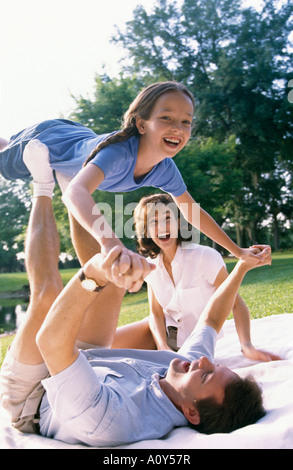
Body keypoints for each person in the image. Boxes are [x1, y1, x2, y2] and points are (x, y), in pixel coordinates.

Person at [0, 192, 272, 446]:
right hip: (80, 362)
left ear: (191, 412)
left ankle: (42, 190)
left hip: (33, 397)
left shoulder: (113, 420)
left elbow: (50, 342)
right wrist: (242, 267)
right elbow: (211, 319)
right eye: (213, 365)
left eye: (206, 375)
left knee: (48, 298)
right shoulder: (186, 371)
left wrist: (94, 273)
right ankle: (73, 185)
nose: (203, 362)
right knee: (115, 280)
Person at [0, 81, 267, 284]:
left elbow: (191, 210)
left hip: (76, 135)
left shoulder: (164, 168)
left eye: (186, 122)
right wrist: (112, 243)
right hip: (48, 139)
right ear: (141, 123)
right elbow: (75, 192)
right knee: (5, 160)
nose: (178, 128)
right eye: (167, 118)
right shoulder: (119, 152)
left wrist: (237, 250)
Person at [112, 194, 280, 363]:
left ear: (179, 223)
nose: (162, 226)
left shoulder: (205, 257)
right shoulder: (151, 266)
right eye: (153, 222)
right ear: (146, 230)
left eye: (167, 218)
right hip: (159, 336)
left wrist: (247, 347)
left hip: (194, 345)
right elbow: (156, 313)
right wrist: (162, 347)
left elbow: (236, 303)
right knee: (100, 348)